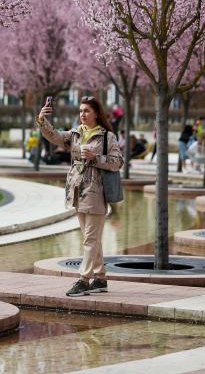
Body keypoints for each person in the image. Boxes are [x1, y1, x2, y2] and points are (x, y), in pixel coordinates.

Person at [37, 95, 123, 297]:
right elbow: (55, 136)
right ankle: (100, 278)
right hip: (77, 190)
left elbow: (118, 162)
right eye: (81, 110)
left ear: (96, 114)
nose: (82, 114)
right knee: (90, 238)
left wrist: (96, 158)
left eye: (86, 111)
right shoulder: (75, 133)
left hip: (96, 191)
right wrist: (42, 120)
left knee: (90, 239)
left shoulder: (106, 137)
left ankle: (84, 279)